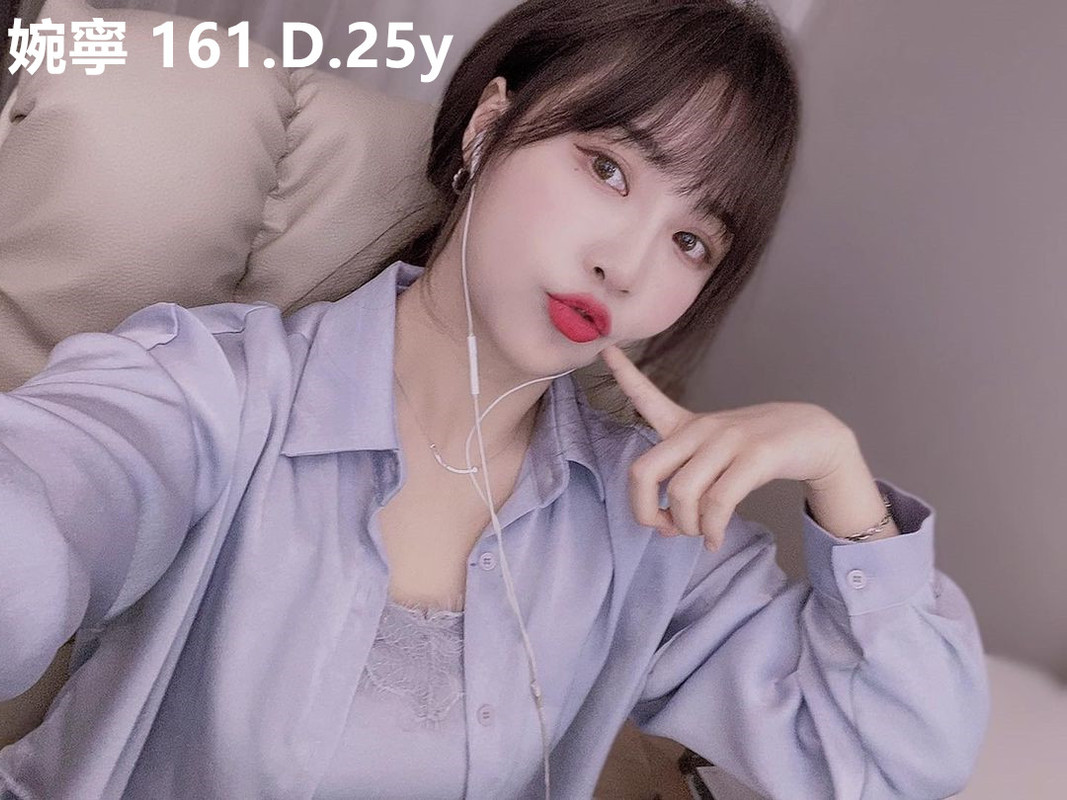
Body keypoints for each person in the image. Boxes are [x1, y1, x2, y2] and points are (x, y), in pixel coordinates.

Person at [0, 0, 990, 798]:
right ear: (487, 126)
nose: (625, 263)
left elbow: (894, 760)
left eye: (691, 241)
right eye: (606, 168)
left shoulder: (645, 525)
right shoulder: (208, 392)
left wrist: (838, 476)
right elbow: (46, 508)